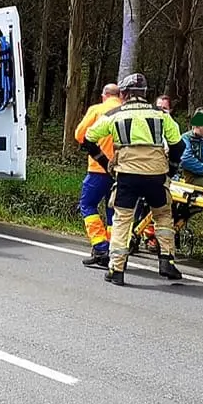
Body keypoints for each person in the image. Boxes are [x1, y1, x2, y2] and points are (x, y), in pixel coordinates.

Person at [83, 73, 186, 286]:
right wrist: (171, 170)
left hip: (127, 175)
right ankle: (167, 261)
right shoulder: (160, 115)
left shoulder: (114, 114)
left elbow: (88, 139)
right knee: (163, 216)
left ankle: (116, 269)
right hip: (156, 175)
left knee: (122, 219)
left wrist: (106, 163)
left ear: (124, 94)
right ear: (145, 93)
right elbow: (178, 145)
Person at [74, 83, 122, 267]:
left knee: (87, 204)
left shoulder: (97, 110)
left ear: (104, 95)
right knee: (113, 210)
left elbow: (80, 135)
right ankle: (111, 249)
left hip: (98, 169)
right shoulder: (125, 111)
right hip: (121, 170)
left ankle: (100, 246)